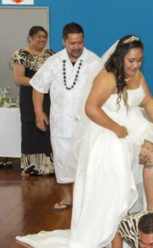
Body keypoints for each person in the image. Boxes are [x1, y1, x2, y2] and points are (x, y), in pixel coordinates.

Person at [16, 35, 153, 248]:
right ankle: (132, 220)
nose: (136, 65)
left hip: (132, 129)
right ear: (120, 57)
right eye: (131, 60)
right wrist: (116, 127)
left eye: (139, 60)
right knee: (126, 177)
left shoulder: (137, 76)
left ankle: (149, 209)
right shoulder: (107, 77)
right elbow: (90, 108)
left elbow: (148, 101)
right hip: (109, 133)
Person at [31, 22, 101, 211]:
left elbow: (104, 90)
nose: (77, 47)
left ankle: (84, 201)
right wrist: (39, 112)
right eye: (72, 43)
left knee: (85, 163)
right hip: (60, 122)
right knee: (62, 161)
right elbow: (38, 87)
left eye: (80, 42)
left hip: (86, 123)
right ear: (64, 42)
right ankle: (67, 199)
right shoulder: (53, 62)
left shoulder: (94, 61)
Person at [10, 26, 55, 176]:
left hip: (48, 98)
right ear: (30, 38)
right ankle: (31, 167)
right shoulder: (21, 54)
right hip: (29, 98)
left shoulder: (50, 55)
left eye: (44, 37)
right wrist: (40, 82)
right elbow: (19, 79)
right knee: (31, 129)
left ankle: (49, 166)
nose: (42, 40)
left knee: (48, 127)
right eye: (38, 37)